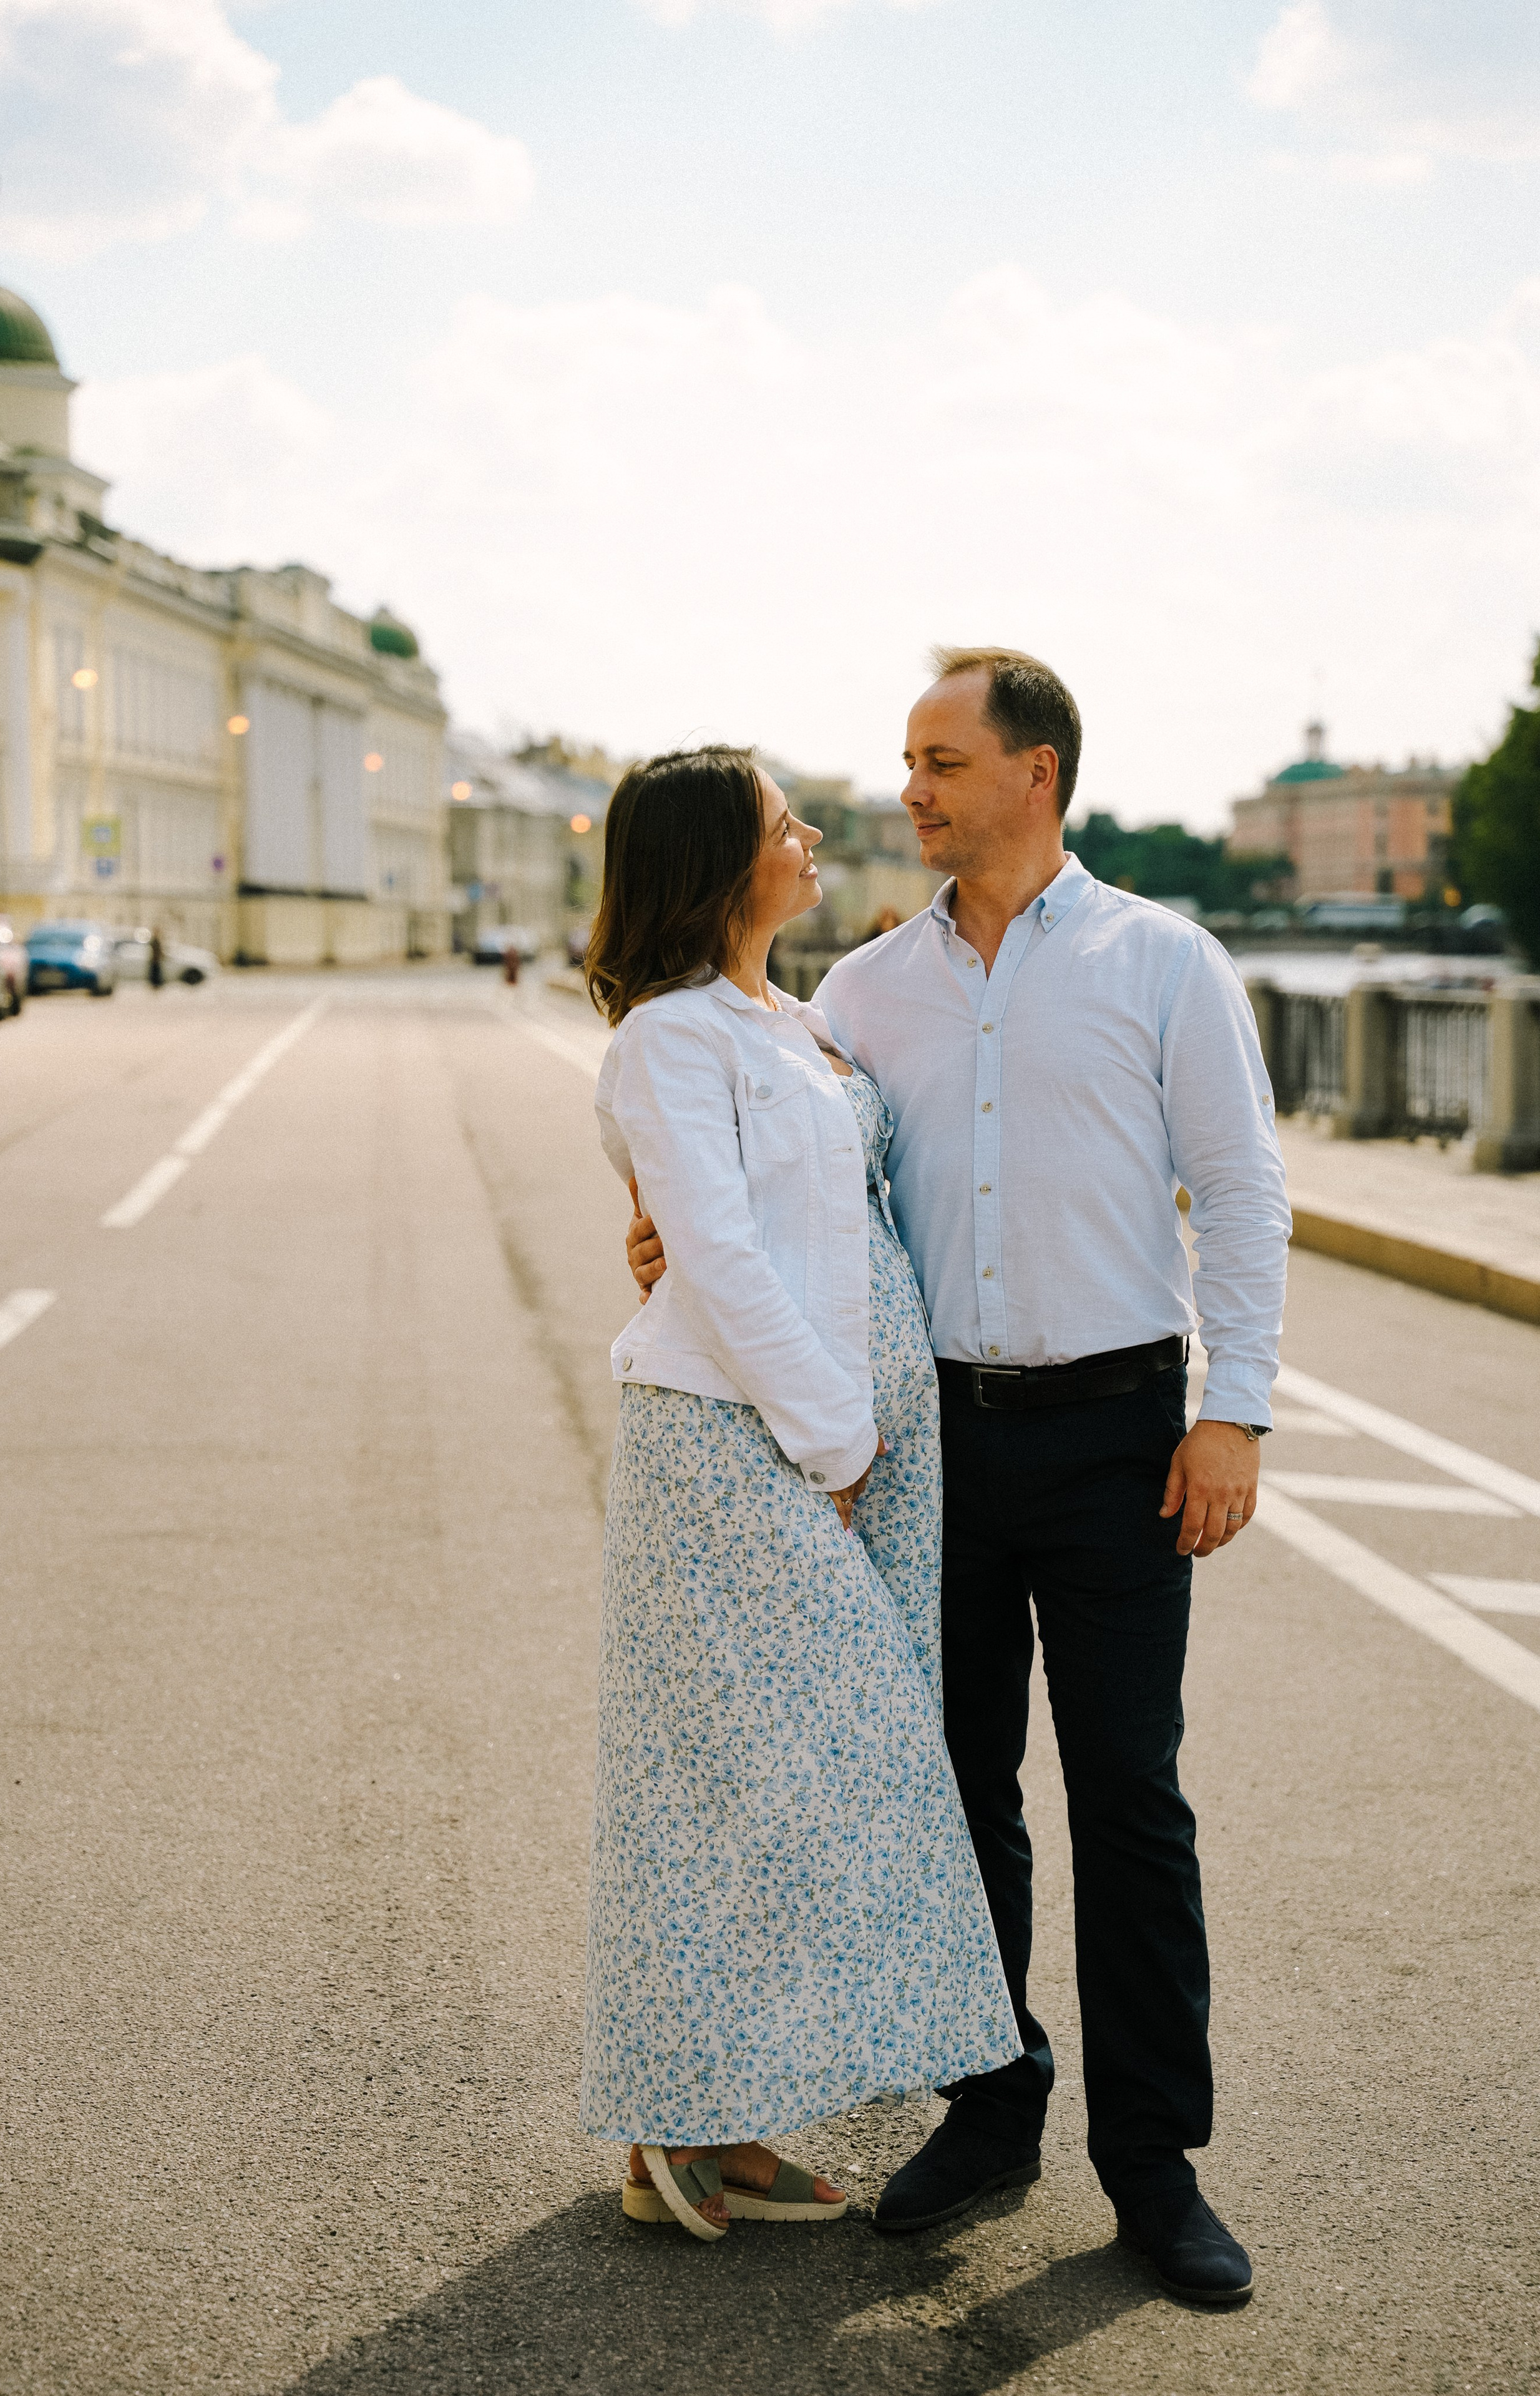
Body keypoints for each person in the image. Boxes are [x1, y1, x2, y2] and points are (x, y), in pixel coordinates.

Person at [628, 653, 1290, 2302]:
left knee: (1132, 1801)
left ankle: (1155, 2164)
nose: (910, 788)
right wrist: (656, 1230)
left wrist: (1239, 1411)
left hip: (1125, 1433)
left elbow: (1244, 1188)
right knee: (957, 1797)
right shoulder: (857, 996)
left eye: (942, 759)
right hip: (934, 1442)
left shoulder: (1165, 963)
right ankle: (992, 2110)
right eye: (905, 760)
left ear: (1037, 773)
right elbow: (789, 1187)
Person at [581, 743, 1020, 2243]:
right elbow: (711, 1252)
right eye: (784, 824)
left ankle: (706, 2119)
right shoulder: (669, 1039)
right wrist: (831, 1439)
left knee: (797, 1789)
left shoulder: (799, 1022)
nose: (816, 831)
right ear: (719, 863)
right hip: (744, 1450)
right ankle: (682, 2114)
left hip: (861, 1455)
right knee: (763, 1783)